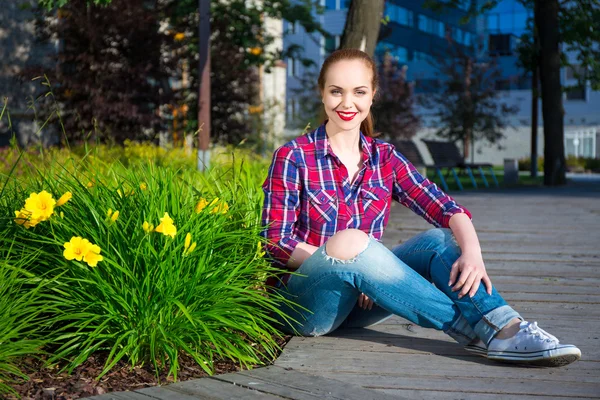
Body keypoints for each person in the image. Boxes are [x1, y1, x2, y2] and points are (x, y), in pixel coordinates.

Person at [260, 48, 580, 367]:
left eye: (358, 92)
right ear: (322, 93)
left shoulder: (384, 157)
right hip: (306, 304)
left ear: (372, 95)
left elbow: (446, 208)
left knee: (437, 242)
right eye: (336, 91)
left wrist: (473, 254)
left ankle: (507, 325)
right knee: (351, 242)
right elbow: (275, 242)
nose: (347, 103)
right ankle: (486, 331)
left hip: (362, 307)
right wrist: (355, 264)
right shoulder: (293, 156)